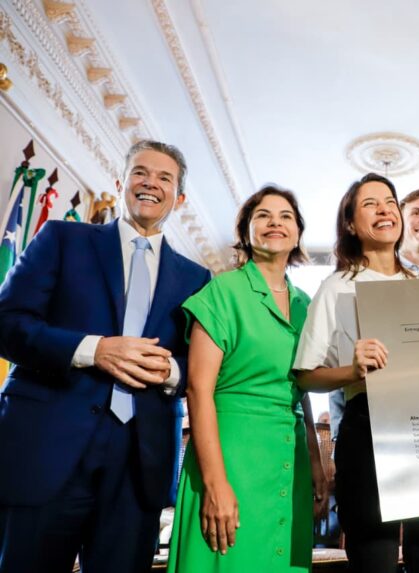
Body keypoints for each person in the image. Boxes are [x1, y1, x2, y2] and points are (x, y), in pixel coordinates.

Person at [0, 140, 210, 573]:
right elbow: (8, 323)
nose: (150, 183)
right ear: (120, 183)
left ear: (179, 198)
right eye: (140, 172)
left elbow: (203, 364)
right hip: (48, 447)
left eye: (164, 178)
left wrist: (171, 370)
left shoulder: (197, 279)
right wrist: (92, 350)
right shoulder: (62, 239)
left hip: (139, 464)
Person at [294, 173, 419, 573]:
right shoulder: (335, 286)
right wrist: (352, 371)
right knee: (374, 559)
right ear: (351, 224)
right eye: (370, 204)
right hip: (366, 426)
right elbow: (305, 376)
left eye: (389, 202)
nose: (384, 210)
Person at [167, 186, 326, 571]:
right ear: (246, 232)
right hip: (232, 455)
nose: (275, 222)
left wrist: (316, 459)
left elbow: (302, 386)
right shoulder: (223, 290)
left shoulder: (306, 304)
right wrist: (215, 482)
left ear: (298, 234)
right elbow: (198, 389)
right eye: (263, 215)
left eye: (286, 216)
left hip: (289, 459)